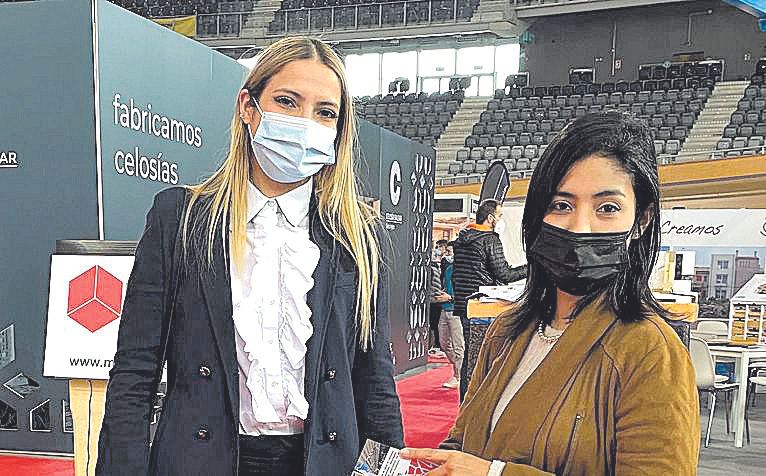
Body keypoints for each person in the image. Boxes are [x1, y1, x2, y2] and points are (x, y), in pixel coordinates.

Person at [96, 37, 403, 476]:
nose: (304, 122)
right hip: (200, 459)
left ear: (339, 129)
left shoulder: (357, 234)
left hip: (323, 463)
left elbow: (375, 382)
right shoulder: (179, 217)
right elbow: (135, 370)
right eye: (286, 101)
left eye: (325, 112)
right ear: (248, 107)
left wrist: (384, 472)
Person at [402, 112, 699, 475]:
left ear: (641, 221)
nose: (579, 225)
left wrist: (497, 474)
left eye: (608, 208)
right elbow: (464, 441)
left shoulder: (650, 352)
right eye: (562, 205)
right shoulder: (507, 329)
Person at [452, 199, 527, 400]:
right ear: (491, 218)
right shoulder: (490, 240)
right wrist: (533, 267)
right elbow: (505, 274)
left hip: (465, 305)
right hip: (484, 307)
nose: (501, 220)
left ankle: (464, 406)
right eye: (500, 216)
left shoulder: (462, 240)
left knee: (470, 359)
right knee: (485, 359)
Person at [438, 242, 463, 389]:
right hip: (444, 309)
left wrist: (451, 298)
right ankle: (461, 370)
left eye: (450, 252)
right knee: (444, 343)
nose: (448, 254)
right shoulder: (447, 269)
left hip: (456, 310)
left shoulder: (463, 271)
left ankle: (458, 376)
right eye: (447, 251)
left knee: (458, 345)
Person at [429, 239, 450, 357]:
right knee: (434, 324)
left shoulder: (440, 263)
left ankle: (437, 345)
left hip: (437, 298)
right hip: (436, 297)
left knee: (435, 324)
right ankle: (436, 345)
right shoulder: (437, 263)